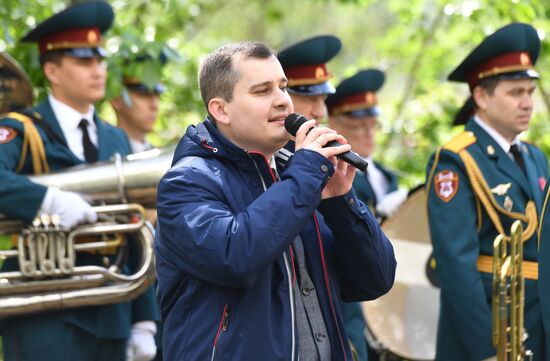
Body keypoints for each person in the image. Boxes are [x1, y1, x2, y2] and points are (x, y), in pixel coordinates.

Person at [155, 41, 396, 360]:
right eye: (262, 91)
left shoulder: (297, 175)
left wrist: (341, 201)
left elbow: (374, 281)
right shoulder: (186, 182)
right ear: (220, 109)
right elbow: (235, 256)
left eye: (283, 87)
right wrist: (307, 172)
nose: (283, 101)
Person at [0, 2, 159, 361]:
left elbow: (133, 224)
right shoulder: (23, 129)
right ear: (52, 70)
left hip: (113, 311)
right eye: (84, 61)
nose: (98, 70)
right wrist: (48, 201)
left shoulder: (115, 138)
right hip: (43, 316)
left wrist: (144, 321)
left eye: (100, 60)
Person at [425, 23, 547, 361]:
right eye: (515, 93)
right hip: (489, 333)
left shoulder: (534, 157)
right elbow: (456, 269)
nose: (527, 103)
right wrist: (486, 351)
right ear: (480, 95)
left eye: (529, 92)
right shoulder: (456, 161)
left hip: (536, 326)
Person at [327, 68, 407, 219]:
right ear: (334, 124)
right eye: (360, 125)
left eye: (373, 125)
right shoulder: (331, 174)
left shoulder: (384, 176)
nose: (369, 133)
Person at [110, 51, 167, 153]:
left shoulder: (157, 154)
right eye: (144, 95)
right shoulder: (102, 154)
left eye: (157, 95)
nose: (155, 105)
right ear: (116, 99)